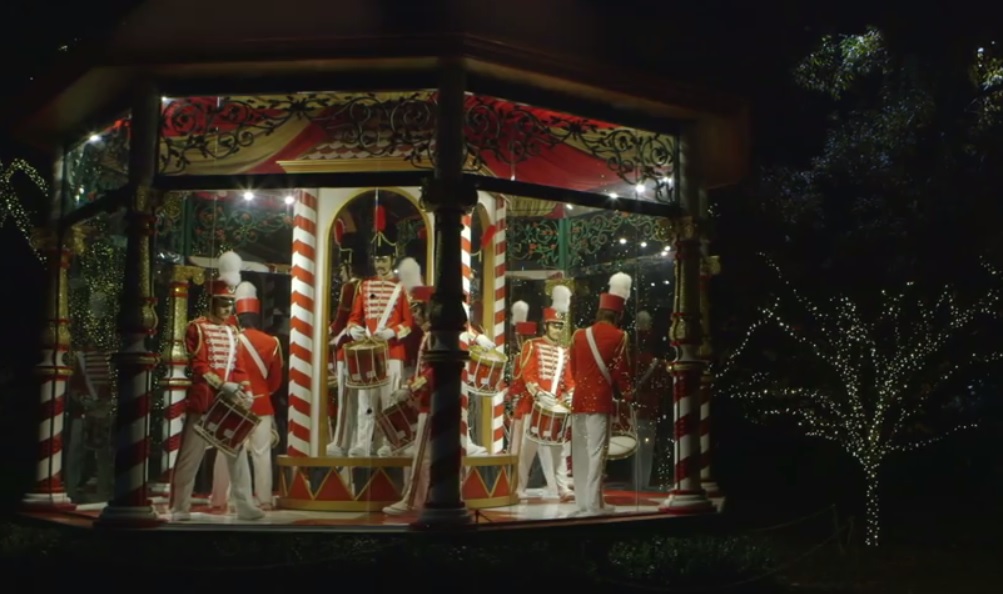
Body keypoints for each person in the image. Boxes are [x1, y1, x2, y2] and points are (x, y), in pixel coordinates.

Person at [169, 251, 264, 522]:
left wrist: (243, 389)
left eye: (230, 304)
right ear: (212, 302)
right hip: (205, 399)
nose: (227, 309)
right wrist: (223, 385)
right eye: (222, 304)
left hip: (228, 403)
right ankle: (180, 506)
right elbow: (198, 366)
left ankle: (244, 504)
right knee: (191, 457)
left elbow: (239, 365)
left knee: (236, 453)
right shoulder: (197, 329)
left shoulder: (233, 332)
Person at [211, 280, 284, 510]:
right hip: (262, 404)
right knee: (261, 454)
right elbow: (276, 380)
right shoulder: (271, 342)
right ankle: (264, 499)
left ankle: (222, 498)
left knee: (227, 452)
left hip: (236, 403)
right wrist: (264, 392)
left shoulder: (231, 339)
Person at [568, 272, 634, 517]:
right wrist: (628, 393)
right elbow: (621, 372)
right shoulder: (620, 336)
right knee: (597, 453)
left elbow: (573, 370)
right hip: (600, 401)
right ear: (618, 313)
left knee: (581, 452)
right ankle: (594, 506)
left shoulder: (578, 335)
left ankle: (584, 502)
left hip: (579, 400)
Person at [344, 225, 414, 457]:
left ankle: (387, 442)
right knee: (365, 401)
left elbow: (409, 323)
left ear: (392, 259)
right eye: (376, 259)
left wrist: (393, 333)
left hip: (392, 353)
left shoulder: (401, 288)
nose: (379, 264)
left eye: (383, 259)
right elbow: (354, 318)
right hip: (368, 353)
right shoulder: (364, 286)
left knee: (388, 401)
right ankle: (363, 443)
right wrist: (354, 329)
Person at [510, 286, 575, 501]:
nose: (557, 329)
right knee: (526, 452)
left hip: (554, 405)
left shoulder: (564, 352)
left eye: (560, 326)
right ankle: (519, 488)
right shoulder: (532, 345)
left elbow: (568, 379)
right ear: (546, 326)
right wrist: (538, 393)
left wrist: (570, 394)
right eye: (554, 326)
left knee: (558, 450)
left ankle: (562, 488)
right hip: (533, 405)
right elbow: (528, 374)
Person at [382, 284, 434, 515]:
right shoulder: (429, 335)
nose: (413, 315)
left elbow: (432, 371)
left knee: (422, 456)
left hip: (429, 404)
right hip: (427, 401)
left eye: (416, 310)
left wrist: (412, 388)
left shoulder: (432, 336)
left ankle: (413, 500)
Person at [326, 232, 363, 456]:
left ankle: (342, 441)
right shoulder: (367, 285)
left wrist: (328, 332)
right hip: (361, 349)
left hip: (346, 349)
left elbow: (341, 320)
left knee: (346, 399)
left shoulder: (351, 286)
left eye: (342, 268)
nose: (340, 273)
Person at [630, 310, 670, 491]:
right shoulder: (656, 362)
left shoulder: (630, 355)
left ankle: (638, 482)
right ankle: (642, 482)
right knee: (645, 447)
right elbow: (662, 386)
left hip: (632, 406)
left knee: (634, 447)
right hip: (650, 407)